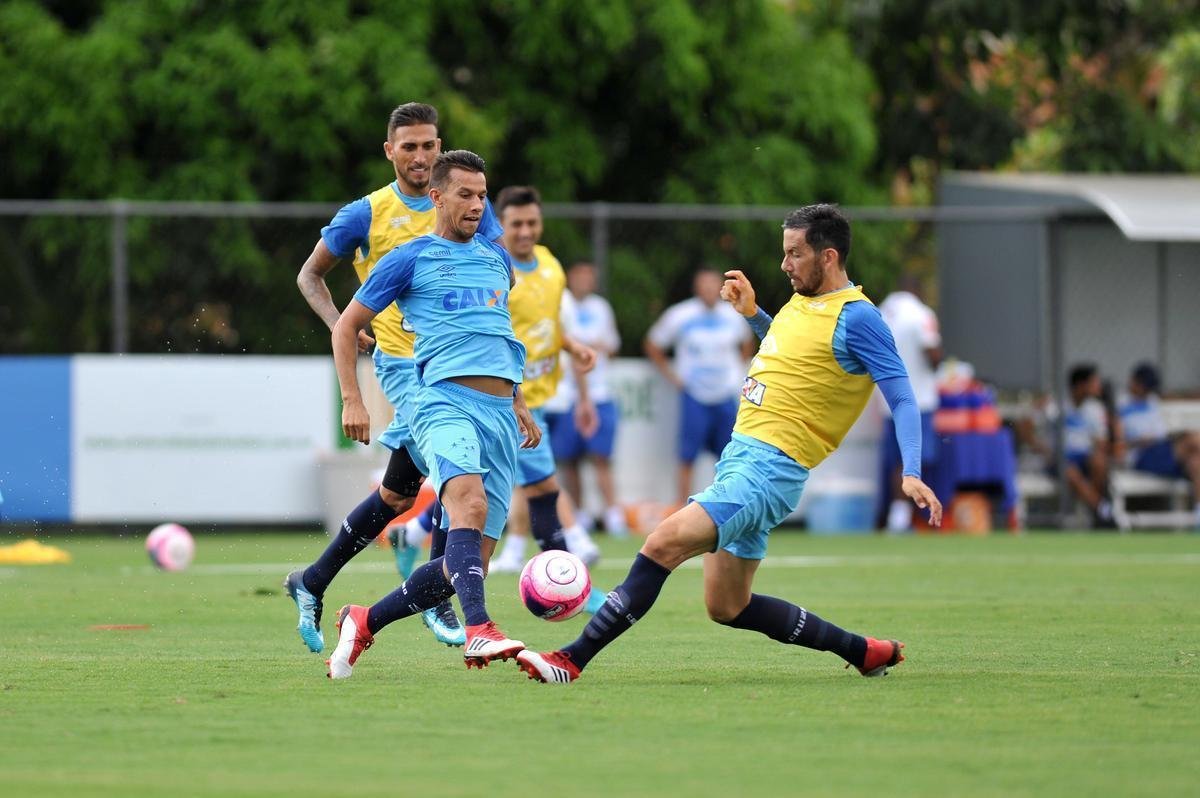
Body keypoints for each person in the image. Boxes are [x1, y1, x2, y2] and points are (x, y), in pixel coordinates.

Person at [517, 204, 942, 685]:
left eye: (794, 254)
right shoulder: (802, 303)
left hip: (769, 468)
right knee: (727, 605)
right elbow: (790, 354)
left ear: (828, 256)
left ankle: (570, 660)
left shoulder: (860, 317)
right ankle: (863, 651)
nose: (785, 264)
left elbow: (903, 395)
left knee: (662, 543)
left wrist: (912, 470)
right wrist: (754, 316)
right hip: (742, 459)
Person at [286, 103, 500, 653]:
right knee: (461, 481)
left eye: (430, 145)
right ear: (390, 151)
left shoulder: (466, 202)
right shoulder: (366, 214)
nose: (422, 156)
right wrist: (343, 329)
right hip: (408, 370)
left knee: (397, 494)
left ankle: (312, 580)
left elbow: (486, 280)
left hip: (459, 366)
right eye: (410, 146)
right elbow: (309, 276)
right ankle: (445, 601)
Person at [325, 149, 537, 678]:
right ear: (438, 197)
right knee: (465, 502)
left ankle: (364, 619)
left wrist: (519, 400)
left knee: (466, 567)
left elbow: (497, 336)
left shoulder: (495, 259)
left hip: (498, 415)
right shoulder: (408, 257)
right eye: (465, 194)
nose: (476, 204)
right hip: (443, 403)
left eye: (482, 195)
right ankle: (481, 631)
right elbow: (346, 326)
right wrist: (353, 397)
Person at [645, 269, 755, 507]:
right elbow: (653, 343)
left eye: (712, 284)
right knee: (687, 456)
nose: (708, 289)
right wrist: (673, 377)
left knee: (729, 455)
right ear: (696, 287)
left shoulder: (732, 314)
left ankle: (727, 504)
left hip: (725, 394)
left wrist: (737, 370)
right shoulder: (680, 314)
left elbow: (747, 341)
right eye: (703, 284)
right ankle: (682, 506)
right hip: (694, 395)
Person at [544, 261, 627, 536]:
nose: (583, 281)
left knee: (601, 457)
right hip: (568, 395)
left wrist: (586, 349)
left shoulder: (601, 308)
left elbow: (611, 345)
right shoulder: (560, 302)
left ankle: (612, 514)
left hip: (599, 393)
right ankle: (578, 516)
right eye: (578, 275)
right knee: (570, 460)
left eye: (588, 277)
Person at [877, 275, 942, 531]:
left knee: (895, 461)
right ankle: (903, 517)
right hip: (917, 400)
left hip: (886, 400)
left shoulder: (883, 310)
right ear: (918, 290)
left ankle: (896, 515)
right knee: (911, 460)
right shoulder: (921, 314)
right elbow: (932, 354)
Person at [1119, 362, 1200, 526]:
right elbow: (1119, 443)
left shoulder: (1152, 402)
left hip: (1165, 451)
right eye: (1143, 385)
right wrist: (1141, 440)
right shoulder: (1121, 405)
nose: (1146, 390)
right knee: (1193, 438)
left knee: (1196, 462)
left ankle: (1198, 516)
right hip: (1142, 455)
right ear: (1134, 382)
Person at [1062, 364, 1117, 527]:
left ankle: (1096, 510)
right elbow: (1026, 423)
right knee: (1069, 472)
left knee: (1099, 462)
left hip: (1085, 457)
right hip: (1061, 459)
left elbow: (1100, 443)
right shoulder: (1056, 406)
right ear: (1080, 385)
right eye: (1094, 382)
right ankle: (1103, 510)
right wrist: (1041, 446)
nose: (1098, 386)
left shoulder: (1095, 408)